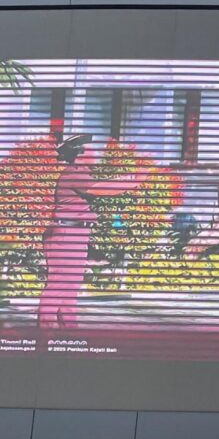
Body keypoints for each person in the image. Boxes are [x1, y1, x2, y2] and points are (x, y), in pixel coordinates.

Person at [37, 133, 148, 331]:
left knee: (70, 287)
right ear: (79, 154)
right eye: (89, 150)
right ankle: (46, 332)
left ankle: (69, 332)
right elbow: (104, 188)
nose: (94, 154)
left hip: (74, 234)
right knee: (60, 285)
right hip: (67, 234)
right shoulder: (76, 173)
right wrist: (135, 178)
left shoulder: (80, 173)